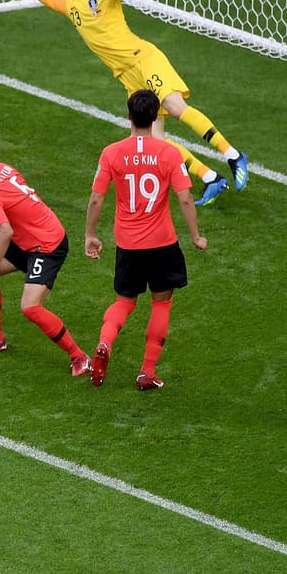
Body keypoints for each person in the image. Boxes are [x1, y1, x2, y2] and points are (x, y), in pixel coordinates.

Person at [0, 0, 248, 206]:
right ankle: (210, 178)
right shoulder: (69, 5)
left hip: (144, 59)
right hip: (127, 77)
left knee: (175, 105)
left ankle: (233, 155)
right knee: (152, 141)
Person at [84, 90, 207, 390]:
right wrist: (195, 236)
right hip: (162, 243)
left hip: (128, 244)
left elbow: (97, 199)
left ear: (129, 116)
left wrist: (90, 234)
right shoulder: (169, 153)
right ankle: (147, 372)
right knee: (161, 304)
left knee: (124, 301)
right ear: (155, 117)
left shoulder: (111, 153)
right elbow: (186, 199)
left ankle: (104, 343)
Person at [0, 133, 91, 376]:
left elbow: (4, 231)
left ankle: (79, 357)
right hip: (31, 236)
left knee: (30, 307)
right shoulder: (2, 168)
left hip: (46, 245)